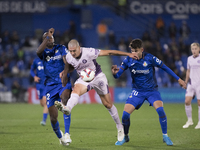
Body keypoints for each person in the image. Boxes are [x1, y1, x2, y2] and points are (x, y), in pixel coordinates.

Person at [55, 39, 139, 143]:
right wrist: (65, 71)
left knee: (108, 104)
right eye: (70, 51)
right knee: (75, 90)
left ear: (79, 48)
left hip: (97, 76)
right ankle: (67, 108)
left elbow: (109, 52)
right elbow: (74, 66)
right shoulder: (68, 57)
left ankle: (119, 127)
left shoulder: (89, 52)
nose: (72, 53)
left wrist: (128, 54)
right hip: (84, 79)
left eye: (74, 51)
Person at [111, 39, 186, 146]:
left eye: (136, 51)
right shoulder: (128, 60)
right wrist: (114, 74)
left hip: (152, 91)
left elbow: (165, 68)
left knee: (160, 111)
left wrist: (179, 79)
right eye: (132, 50)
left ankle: (165, 136)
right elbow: (118, 75)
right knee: (125, 116)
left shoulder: (150, 58)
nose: (133, 53)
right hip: (137, 91)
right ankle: (126, 136)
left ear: (142, 49)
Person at [36, 28, 72, 146]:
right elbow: (37, 52)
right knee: (53, 118)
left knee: (65, 98)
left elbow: (67, 60)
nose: (50, 39)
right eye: (48, 38)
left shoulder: (61, 48)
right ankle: (61, 137)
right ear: (44, 41)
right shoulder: (43, 53)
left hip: (62, 81)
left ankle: (67, 134)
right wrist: (47, 38)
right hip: (50, 85)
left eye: (52, 38)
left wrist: (66, 71)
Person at [183, 42, 200, 129]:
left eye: (195, 49)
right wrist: (186, 81)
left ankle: (199, 122)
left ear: (199, 49)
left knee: (199, 103)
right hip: (191, 83)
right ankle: (190, 120)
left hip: (199, 84)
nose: (194, 50)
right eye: (192, 49)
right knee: (187, 101)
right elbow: (188, 71)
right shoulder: (189, 58)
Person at [30, 57, 48, 126]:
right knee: (42, 104)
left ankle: (44, 121)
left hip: (47, 84)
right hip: (39, 84)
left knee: (45, 102)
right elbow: (31, 70)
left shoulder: (49, 59)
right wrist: (34, 76)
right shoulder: (36, 60)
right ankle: (50, 108)